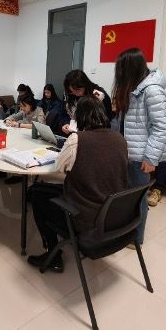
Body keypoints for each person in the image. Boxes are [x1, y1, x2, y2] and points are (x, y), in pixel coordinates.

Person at [27, 96, 128, 272]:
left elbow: (59, 167)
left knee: (36, 194)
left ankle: (53, 255)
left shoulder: (78, 139)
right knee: (46, 190)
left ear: (79, 117)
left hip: (88, 218)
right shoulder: (119, 138)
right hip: (115, 214)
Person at [111, 48, 166, 248]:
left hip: (141, 156)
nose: (119, 74)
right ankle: (124, 231)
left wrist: (151, 158)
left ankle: (136, 238)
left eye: (121, 69)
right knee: (126, 195)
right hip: (126, 152)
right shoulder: (134, 88)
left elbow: (161, 129)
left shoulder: (152, 91)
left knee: (138, 198)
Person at [57, 70, 113, 136]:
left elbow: (107, 119)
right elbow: (62, 113)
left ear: (85, 85)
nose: (75, 94)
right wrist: (65, 124)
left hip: (94, 135)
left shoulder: (98, 95)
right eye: (72, 91)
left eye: (78, 90)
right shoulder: (69, 94)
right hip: (71, 134)